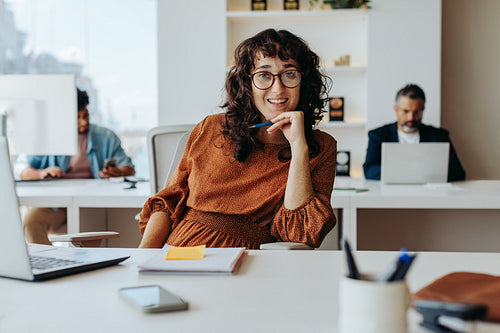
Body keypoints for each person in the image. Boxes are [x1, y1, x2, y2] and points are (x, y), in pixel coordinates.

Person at [139, 29, 337, 249]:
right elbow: (168, 204)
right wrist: (143, 258)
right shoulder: (211, 127)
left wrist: (298, 147)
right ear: (247, 83)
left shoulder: (321, 147)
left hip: (247, 265)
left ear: (304, 82)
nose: (278, 88)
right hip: (178, 256)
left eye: (289, 73)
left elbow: (300, 233)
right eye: (264, 75)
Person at [15, 89, 135, 244]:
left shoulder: (105, 137)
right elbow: (22, 169)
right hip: (57, 204)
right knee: (31, 222)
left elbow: (129, 168)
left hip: (93, 203)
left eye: (85, 115)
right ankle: (49, 265)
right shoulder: (48, 137)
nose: (83, 121)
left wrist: (117, 172)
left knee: (92, 234)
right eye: (77, 118)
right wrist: (42, 173)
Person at [363, 83, 466, 181]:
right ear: (396, 109)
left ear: (423, 109)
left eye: (416, 112)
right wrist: (414, 172)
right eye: (406, 111)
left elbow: (458, 172)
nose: (411, 117)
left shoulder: (439, 136)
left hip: (429, 194)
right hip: (391, 194)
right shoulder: (378, 136)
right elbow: (369, 170)